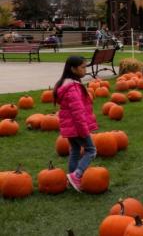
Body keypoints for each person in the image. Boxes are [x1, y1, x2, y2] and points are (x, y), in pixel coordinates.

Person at [54, 56, 98, 191]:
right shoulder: (72, 87)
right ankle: (77, 175)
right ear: (73, 69)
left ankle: (71, 180)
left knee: (74, 151)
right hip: (77, 126)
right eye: (83, 67)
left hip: (70, 127)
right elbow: (77, 112)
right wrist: (84, 130)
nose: (85, 70)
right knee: (91, 150)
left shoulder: (67, 84)